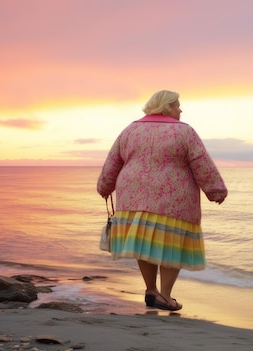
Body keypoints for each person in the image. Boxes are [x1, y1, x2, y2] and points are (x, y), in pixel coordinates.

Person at [97, 89, 227, 311]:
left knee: (145, 245)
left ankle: (151, 290)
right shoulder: (184, 132)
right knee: (171, 246)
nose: (181, 109)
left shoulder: (131, 130)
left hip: (133, 197)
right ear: (166, 107)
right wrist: (215, 191)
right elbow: (200, 162)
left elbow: (113, 161)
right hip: (173, 199)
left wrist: (104, 187)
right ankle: (165, 296)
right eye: (177, 105)